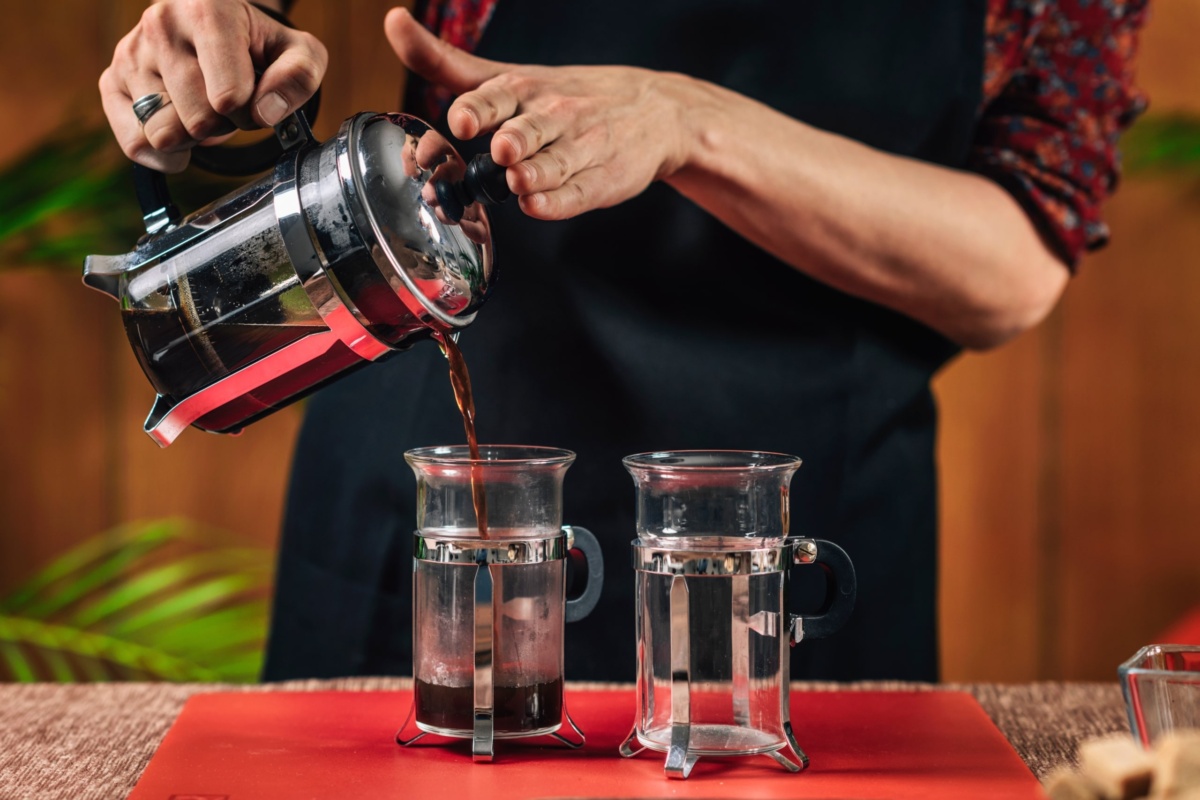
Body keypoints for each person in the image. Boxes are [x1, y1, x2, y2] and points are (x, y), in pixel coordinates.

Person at [100, 0, 1149, 682]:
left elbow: (1014, 264)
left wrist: (692, 126)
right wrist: (217, 32)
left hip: (783, 547)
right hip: (446, 494)